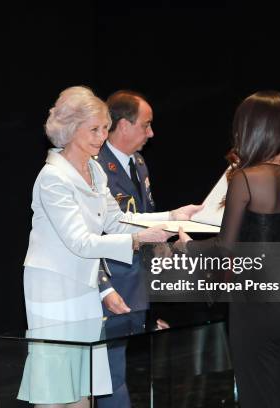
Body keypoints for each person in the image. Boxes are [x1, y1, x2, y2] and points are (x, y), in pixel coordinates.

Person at [17, 86, 201, 407]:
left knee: (85, 389)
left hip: (85, 287)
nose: (102, 136)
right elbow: (80, 241)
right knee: (57, 389)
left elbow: (117, 220)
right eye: (94, 129)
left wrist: (172, 217)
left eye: (104, 128)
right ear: (71, 129)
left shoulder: (95, 170)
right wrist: (136, 240)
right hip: (54, 289)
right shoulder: (52, 178)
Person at [175, 90, 280, 407]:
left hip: (259, 306)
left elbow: (226, 248)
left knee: (258, 397)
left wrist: (187, 246)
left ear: (252, 127)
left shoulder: (247, 178)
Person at [94, 90, 170, 408]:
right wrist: (104, 288)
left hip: (137, 285)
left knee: (120, 374)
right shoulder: (94, 167)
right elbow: (90, 237)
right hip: (111, 289)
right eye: (146, 125)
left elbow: (143, 218)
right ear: (123, 125)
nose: (151, 133)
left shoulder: (138, 162)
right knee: (110, 378)